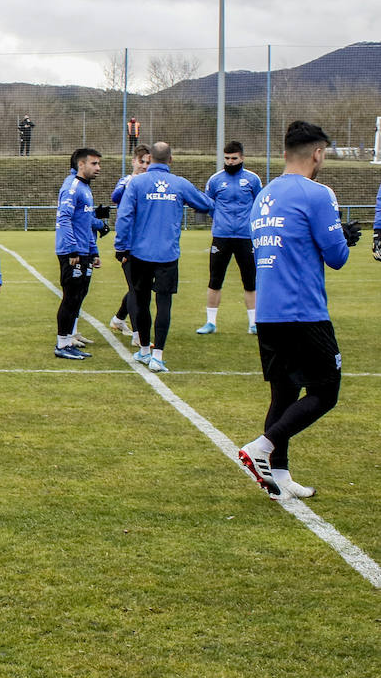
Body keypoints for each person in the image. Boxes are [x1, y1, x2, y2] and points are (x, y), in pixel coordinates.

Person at [238, 121, 362, 498]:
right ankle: (262, 446)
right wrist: (344, 236)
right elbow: (336, 256)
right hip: (304, 312)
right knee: (326, 392)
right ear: (317, 153)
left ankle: (280, 479)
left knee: (284, 395)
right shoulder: (318, 193)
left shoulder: (265, 194)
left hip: (270, 311)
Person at [112, 142, 213, 373]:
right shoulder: (179, 183)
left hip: (139, 254)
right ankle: (158, 355)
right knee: (164, 303)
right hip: (167, 255)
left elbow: (125, 216)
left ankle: (145, 349)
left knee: (141, 301)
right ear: (171, 159)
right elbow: (205, 204)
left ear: (151, 159)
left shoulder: (136, 183)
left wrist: (121, 247)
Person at [197, 141, 263, 335]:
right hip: (221, 237)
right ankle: (210, 323)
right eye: (227, 158)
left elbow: (259, 205)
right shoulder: (215, 180)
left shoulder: (253, 179)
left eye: (234, 158)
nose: (230, 162)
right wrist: (220, 221)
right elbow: (208, 204)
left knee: (250, 282)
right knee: (215, 280)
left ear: (242, 158)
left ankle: (254, 324)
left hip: (246, 237)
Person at [53, 148, 107, 360]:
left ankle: (68, 341)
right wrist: (72, 249)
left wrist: (93, 251)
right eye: (94, 164)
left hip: (84, 251)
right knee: (70, 297)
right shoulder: (72, 187)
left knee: (78, 297)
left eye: (98, 164)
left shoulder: (85, 188)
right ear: (81, 164)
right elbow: (64, 219)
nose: (98, 168)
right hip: (72, 252)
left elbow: (85, 225)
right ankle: (62, 344)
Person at [109, 145, 151, 339]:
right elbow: (115, 196)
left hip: (148, 243)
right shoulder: (127, 180)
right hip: (130, 245)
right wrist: (131, 183)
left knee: (140, 287)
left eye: (148, 163)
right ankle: (138, 334)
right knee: (136, 289)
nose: (144, 166)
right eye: (141, 161)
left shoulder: (152, 183)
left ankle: (119, 319)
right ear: (133, 161)